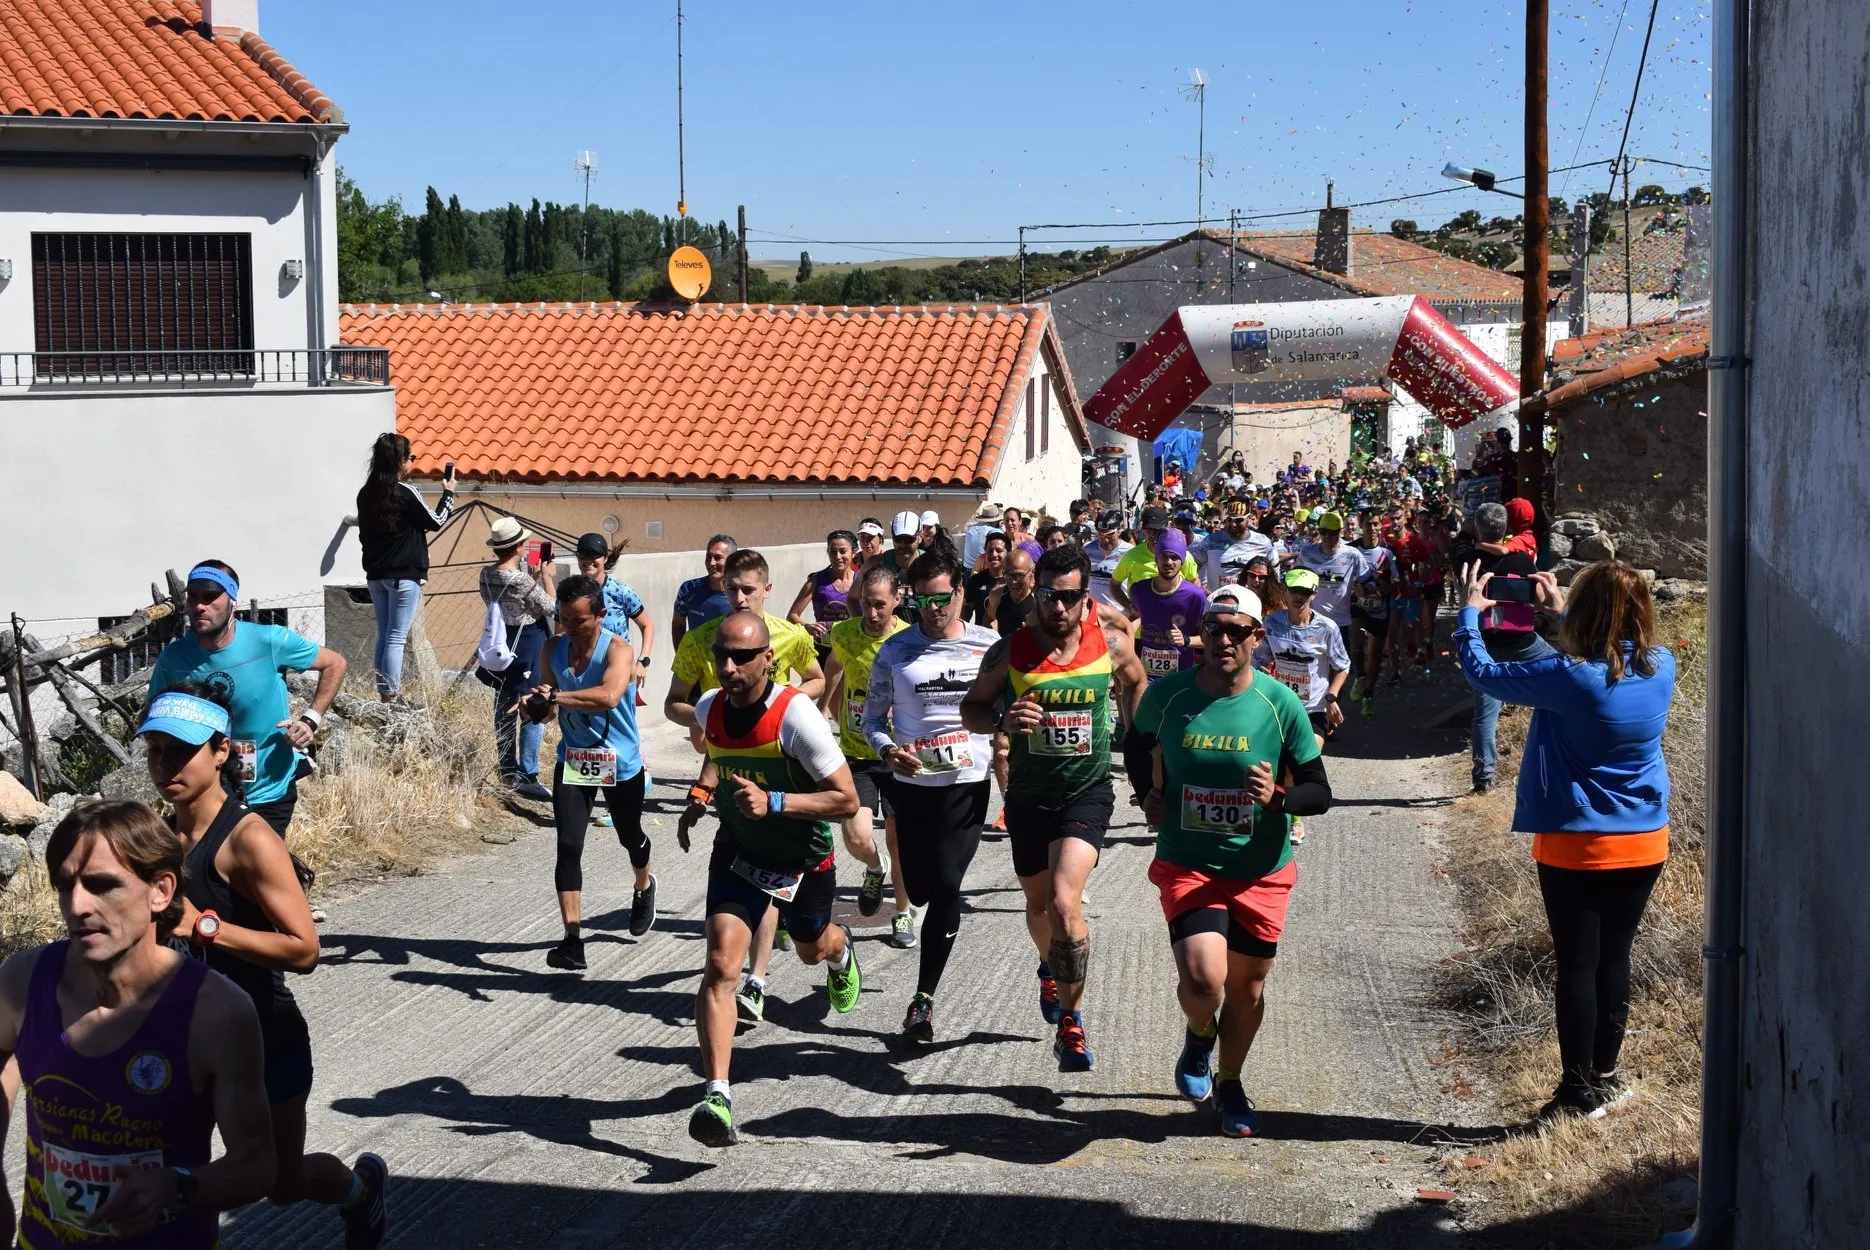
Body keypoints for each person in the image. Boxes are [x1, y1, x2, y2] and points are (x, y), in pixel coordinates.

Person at [139, 685, 390, 1246]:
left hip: (263, 1036)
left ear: (221, 752)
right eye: (155, 750)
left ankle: (360, 1192)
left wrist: (204, 927)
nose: (165, 765)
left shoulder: (249, 840)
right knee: (173, 1169)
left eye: (181, 751)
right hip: (185, 1040)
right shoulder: (159, 838)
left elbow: (305, 950)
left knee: (278, 1182)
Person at [0, 800, 279, 1247]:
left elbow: (257, 1165)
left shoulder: (217, 1013)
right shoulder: (22, 982)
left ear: (160, 891)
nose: (77, 906)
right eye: (66, 886)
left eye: (101, 885)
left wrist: (177, 1187)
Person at [1455, 561, 1674, 1123]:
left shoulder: (1570, 676)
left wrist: (1470, 614)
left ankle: (1575, 1091)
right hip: (1645, 838)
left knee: (1577, 964)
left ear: (1588, 612)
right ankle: (1604, 1078)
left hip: (1579, 842)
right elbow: (1609, 645)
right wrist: (1562, 612)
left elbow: (1482, 673)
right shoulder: (1662, 666)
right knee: (1614, 959)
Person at [1126, 585, 1333, 1136]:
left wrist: (1279, 798)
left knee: (1247, 988)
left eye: (1236, 631)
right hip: (1189, 861)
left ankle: (1231, 1080)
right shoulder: (1167, 695)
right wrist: (1148, 793)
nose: (1223, 639)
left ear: (1256, 638)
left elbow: (1318, 790)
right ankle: (1200, 1034)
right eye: (1213, 628)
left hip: (1260, 869)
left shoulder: (1279, 703)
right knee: (1203, 982)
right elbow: (1136, 744)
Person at [676, 612, 862, 1147]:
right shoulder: (709, 708)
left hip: (802, 858)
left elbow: (846, 799)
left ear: (769, 659)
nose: (728, 667)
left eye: (741, 657)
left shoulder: (795, 716)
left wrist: (775, 801)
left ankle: (840, 949)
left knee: (810, 948)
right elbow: (718, 754)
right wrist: (701, 795)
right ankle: (717, 1096)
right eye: (721, 656)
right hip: (739, 853)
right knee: (720, 964)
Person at [962, 544, 1148, 1073]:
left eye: (1069, 597)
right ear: (1037, 593)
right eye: (1049, 596)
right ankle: (1049, 966)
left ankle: (1072, 1022)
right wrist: (1001, 718)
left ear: (1085, 596)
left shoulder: (1109, 643)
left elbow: (1136, 682)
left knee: (1066, 903)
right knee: (1040, 904)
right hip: (1028, 794)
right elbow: (971, 708)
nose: (1058, 607)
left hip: (1086, 791)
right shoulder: (1011, 651)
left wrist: (1138, 746)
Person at [666, 549, 824, 1020]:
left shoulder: (789, 634)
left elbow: (817, 679)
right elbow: (673, 702)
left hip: (782, 762)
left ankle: (761, 975)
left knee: (793, 905)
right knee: (752, 871)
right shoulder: (700, 639)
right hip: (729, 760)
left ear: (767, 591)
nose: (738, 597)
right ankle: (751, 979)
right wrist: (707, 719)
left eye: (748, 590)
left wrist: (785, 705)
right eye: (731, 588)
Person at [863, 529, 999, 1043]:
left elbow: (1007, 706)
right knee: (918, 887)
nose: (933, 610)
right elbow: (870, 720)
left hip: (967, 784)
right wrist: (886, 751)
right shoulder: (896, 650)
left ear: (960, 591)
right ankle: (908, 891)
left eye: (942, 599)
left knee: (945, 885)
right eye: (922, 601)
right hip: (913, 783)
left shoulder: (988, 646)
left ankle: (923, 1001)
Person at [148, 560, 348, 834]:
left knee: (258, 860)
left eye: (209, 597)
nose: (199, 606)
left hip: (268, 790)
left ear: (232, 602)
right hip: (205, 794)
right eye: (193, 597)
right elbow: (154, 718)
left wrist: (310, 720)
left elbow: (335, 663)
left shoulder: (268, 641)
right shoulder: (173, 658)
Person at [520, 576, 658, 971]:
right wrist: (536, 707)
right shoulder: (552, 648)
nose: (569, 627)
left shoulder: (619, 650)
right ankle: (572, 941)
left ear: (600, 615)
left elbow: (609, 696)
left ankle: (644, 885)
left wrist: (557, 696)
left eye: (578, 620)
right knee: (568, 845)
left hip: (620, 761)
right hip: (574, 759)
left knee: (629, 836)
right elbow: (548, 709)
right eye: (563, 618)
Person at [821, 564, 913, 945]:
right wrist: (825, 710)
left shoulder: (909, 639)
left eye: (880, 605)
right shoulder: (844, 633)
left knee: (899, 840)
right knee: (856, 835)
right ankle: (875, 868)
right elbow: (833, 667)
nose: (872, 614)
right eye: (865, 604)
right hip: (857, 752)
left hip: (898, 755)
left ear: (897, 600)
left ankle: (902, 913)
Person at [354, 432, 455, 701]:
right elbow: (436, 521)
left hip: (376, 575)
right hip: (404, 575)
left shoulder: (365, 494)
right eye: (410, 457)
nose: (411, 462)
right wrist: (448, 494)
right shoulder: (406, 492)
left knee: (384, 635)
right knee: (396, 637)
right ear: (400, 460)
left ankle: (383, 692)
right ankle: (391, 694)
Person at [478, 518, 556, 800]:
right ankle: (528, 774)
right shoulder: (521, 580)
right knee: (533, 705)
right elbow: (551, 607)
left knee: (504, 704)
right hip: (529, 643)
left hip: (501, 643)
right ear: (518, 547)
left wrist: (530, 581)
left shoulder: (486, 574)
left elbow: (509, 602)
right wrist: (546, 577)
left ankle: (507, 770)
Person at [1128, 528, 1208, 682]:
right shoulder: (1139, 589)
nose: (1169, 562)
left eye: (1174, 557)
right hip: (1146, 678)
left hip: (1181, 679)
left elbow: (1209, 640)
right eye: (1164, 556)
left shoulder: (1195, 596)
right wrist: (1125, 632)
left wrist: (1187, 640)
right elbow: (1137, 617)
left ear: (1182, 561)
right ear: (1156, 557)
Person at [574, 533, 655, 681]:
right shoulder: (569, 594)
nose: (588, 560)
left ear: (605, 558)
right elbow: (559, 633)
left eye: (594, 555)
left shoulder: (621, 592)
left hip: (619, 671)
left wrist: (643, 661)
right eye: (583, 554)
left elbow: (647, 625)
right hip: (581, 672)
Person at [786, 530, 859, 662]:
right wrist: (808, 627)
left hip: (853, 649)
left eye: (843, 551)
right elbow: (792, 616)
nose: (837, 556)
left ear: (854, 552)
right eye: (833, 552)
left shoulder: (862, 581)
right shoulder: (816, 580)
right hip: (824, 649)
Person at [1289, 511, 1365, 637]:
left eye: (1333, 532)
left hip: (1340, 622)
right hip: (1312, 620)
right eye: (1323, 531)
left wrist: (1363, 590)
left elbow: (1367, 581)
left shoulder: (1352, 555)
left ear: (1340, 532)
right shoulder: (1307, 553)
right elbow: (1295, 581)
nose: (1328, 537)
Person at [1111, 506, 1200, 611]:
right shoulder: (1132, 556)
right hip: (1142, 619)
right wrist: (1130, 608)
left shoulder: (1182, 555)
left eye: (1157, 530)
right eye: (1148, 530)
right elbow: (1114, 584)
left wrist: (1189, 609)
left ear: (1167, 527)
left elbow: (1194, 582)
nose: (1153, 535)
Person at [1348, 515, 1395, 703]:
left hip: (1380, 608)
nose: (1372, 528)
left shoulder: (1389, 551)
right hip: (1356, 605)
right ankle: (1360, 676)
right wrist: (1354, 588)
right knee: (1356, 643)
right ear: (1361, 525)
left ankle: (1369, 691)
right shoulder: (1351, 549)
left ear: (1381, 525)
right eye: (1368, 524)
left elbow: (1398, 581)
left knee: (1375, 653)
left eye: (1376, 524)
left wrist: (1379, 590)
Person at [671, 535, 737, 648]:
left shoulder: (740, 595)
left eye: (718, 557)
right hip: (694, 658)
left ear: (732, 560)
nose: (711, 563)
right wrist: (681, 654)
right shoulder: (688, 589)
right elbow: (678, 625)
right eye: (708, 557)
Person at [1197, 499, 1274, 591]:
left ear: (1248, 518)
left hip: (1249, 599)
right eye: (1229, 520)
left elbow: (1274, 578)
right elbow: (1191, 568)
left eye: (1238, 520)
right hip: (1216, 598)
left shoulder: (1263, 542)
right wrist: (1201, 590)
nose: (1233, 524)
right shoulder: (1211, 540)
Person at [987, 547, 1038, 639]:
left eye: (1019, 575)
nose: (1014, 581)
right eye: (1009, 575)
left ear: (1032, 573)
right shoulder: (997, 595)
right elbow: (989, 619)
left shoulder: (1040, 601)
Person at [1084, 511, 1132, 609]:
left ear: (1119, 531)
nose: (1105, 540)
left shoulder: (1130, 551)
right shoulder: (1087, 549)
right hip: (1094, 610)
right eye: (1100, 535)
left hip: (1121, 611)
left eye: (1110, 535)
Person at [963, 531, 1009, 628]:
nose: (994, 554)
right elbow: (967, 608)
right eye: (990, 550)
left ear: (1008, 552)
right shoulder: (976, 580)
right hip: (981, 634)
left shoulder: (1012, 581)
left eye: (999, 550)